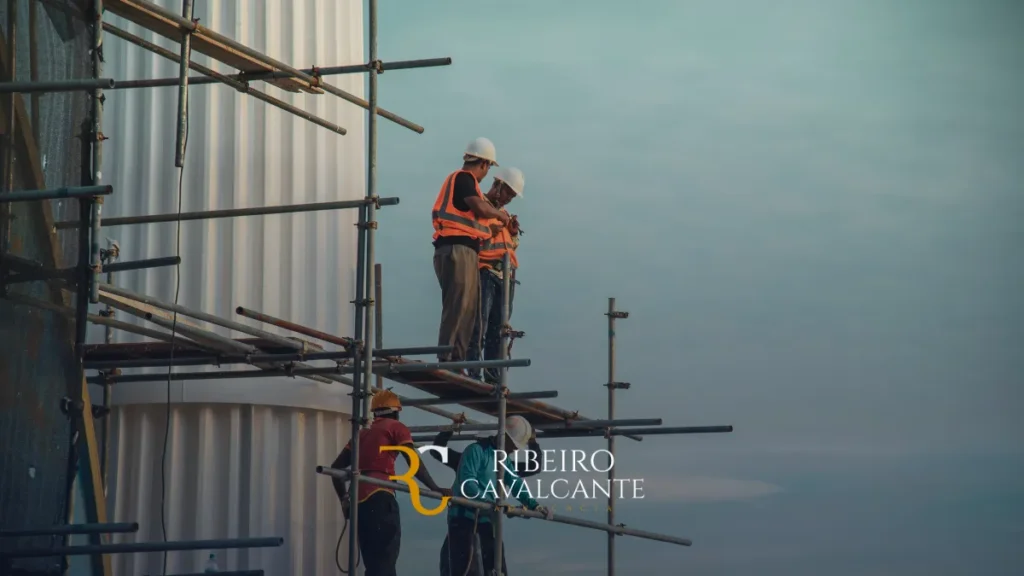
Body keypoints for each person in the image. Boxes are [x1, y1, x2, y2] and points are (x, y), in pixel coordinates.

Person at [330, 390, 452, 576]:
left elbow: (336, 469)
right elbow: (413, 460)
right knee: (386, 558)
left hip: (359, 501)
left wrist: (344, 500)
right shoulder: (395, 426)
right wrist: (434, 488)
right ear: (395, 412)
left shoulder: (362, 433)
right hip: (380, 497)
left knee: (373, 563)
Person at [432, 138, 511, 370]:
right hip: (455, 250)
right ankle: (447, 358)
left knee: (468, 309)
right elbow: (479, 207)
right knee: (458, 305)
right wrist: (500, 215)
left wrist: (490, 228)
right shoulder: (463, 178)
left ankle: (457, 360)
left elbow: (472, 221)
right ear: (485, 164)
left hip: (464, 251)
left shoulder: (467, 184)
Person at [445, 415, 553, 576]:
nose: (515, 450)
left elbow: (515, 483)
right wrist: (492, 501)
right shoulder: (476, 451)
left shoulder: (503, 459)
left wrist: (534, 505)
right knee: (464, 568)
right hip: (463, 519)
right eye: (514, 445)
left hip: (486, 518)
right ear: (504, 437)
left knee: (495, 567)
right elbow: (468, 484)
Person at [466, 167, 525, 383]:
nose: (509, 198)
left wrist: (514, 233)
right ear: (498, 185)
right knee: (479, 325)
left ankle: (493, 378)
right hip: (485, 272)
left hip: (505, 277)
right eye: (508, 192)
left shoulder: (505, 216)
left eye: (512, 195)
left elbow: (510, 246)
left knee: (498, 330)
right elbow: (473, 235)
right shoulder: (479, 205)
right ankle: (473, 372)